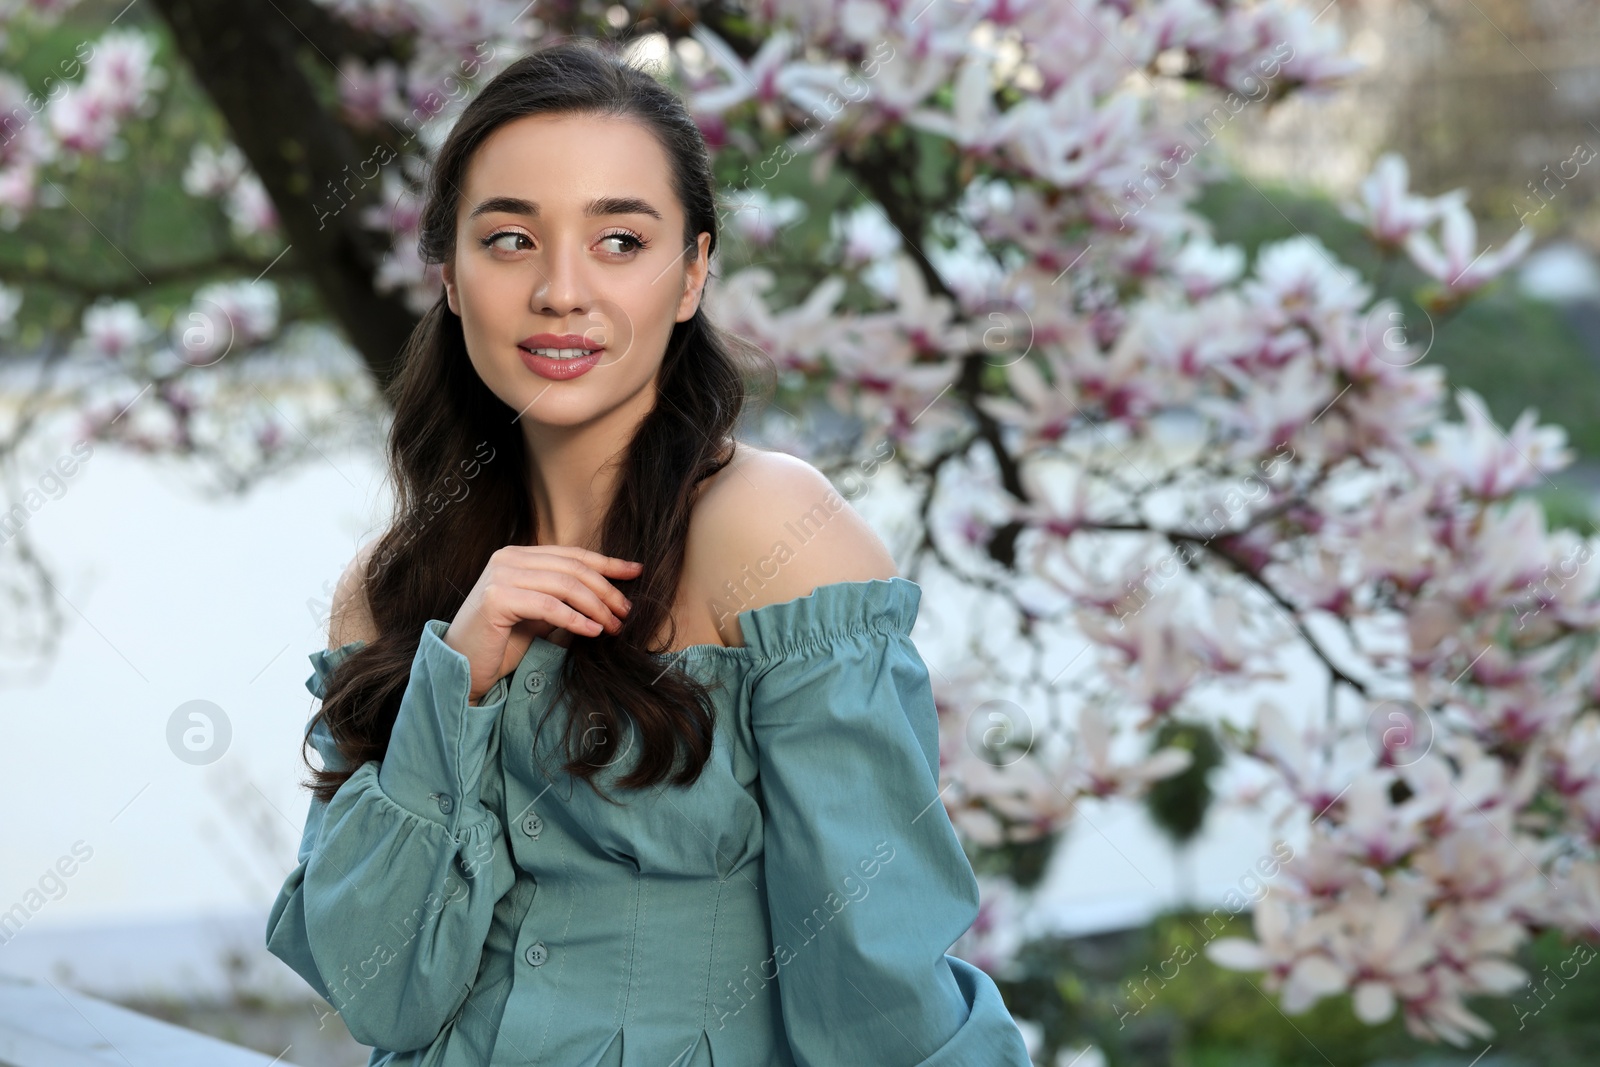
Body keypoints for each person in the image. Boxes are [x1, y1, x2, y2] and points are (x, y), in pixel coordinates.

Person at [265, 37, 1033, 1067]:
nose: (562, 292)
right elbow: (377, 994)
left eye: (621, 242)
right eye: (510, 241)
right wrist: (462, 678)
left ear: (691, 275)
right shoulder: (389, 585)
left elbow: (872, 975)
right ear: (447, 276)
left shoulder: (772, 533)